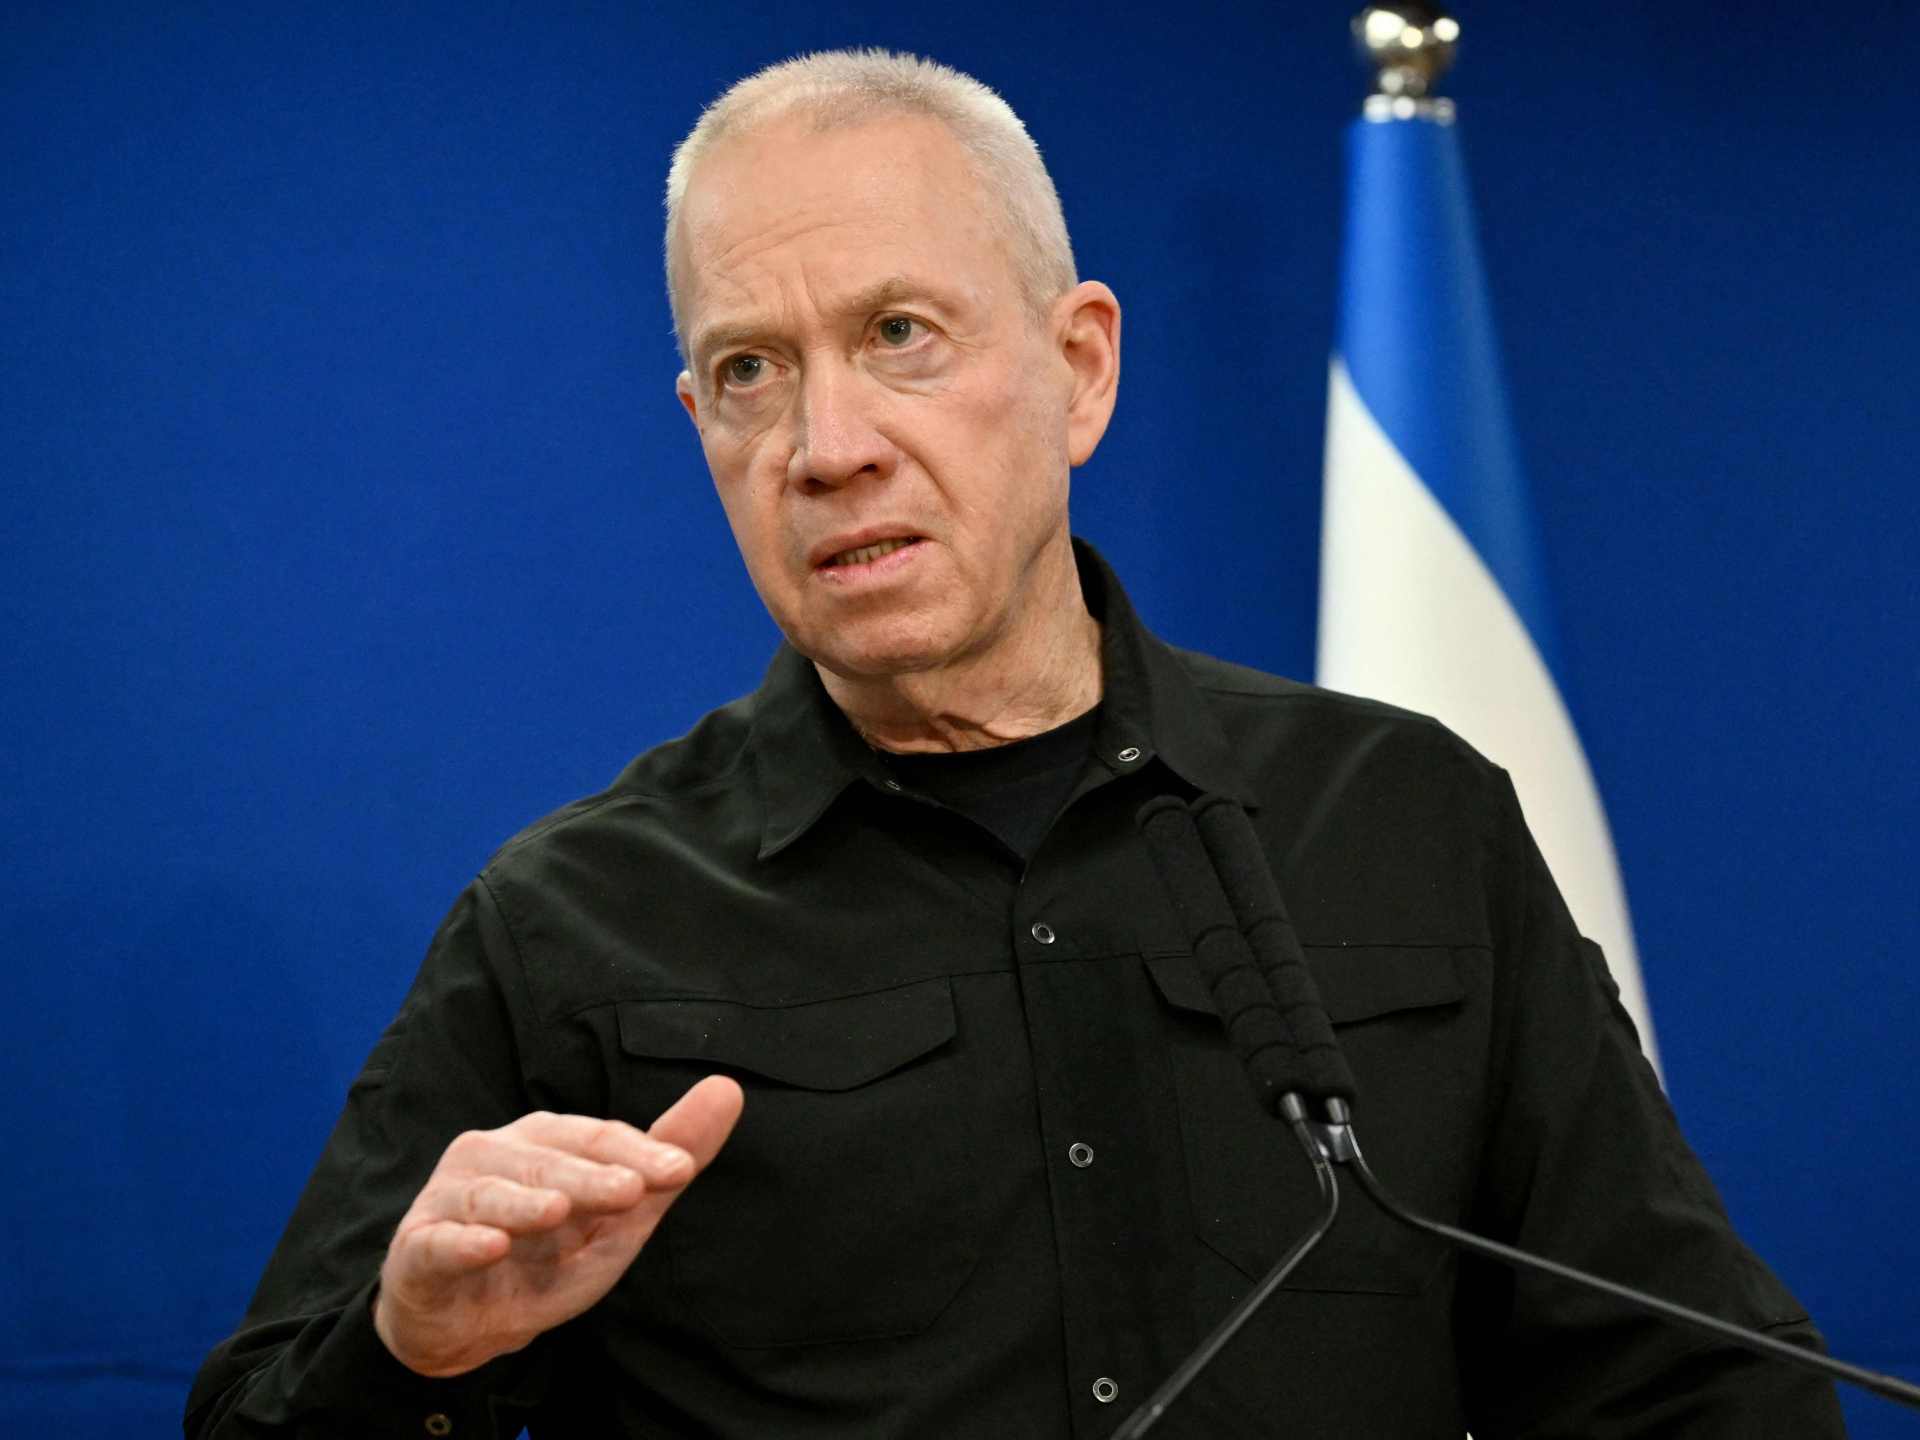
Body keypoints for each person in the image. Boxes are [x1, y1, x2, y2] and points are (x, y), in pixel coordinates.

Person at [186, 49, 1846, 1438]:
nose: (828, 445)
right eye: (750, 369)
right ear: (701, 427)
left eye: (899, 334)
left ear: (1080, 369)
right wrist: (416, 1354)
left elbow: (1696, 1386)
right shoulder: (569, 919)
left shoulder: (1405, 818)